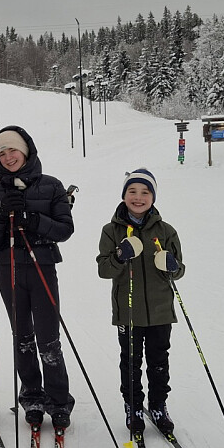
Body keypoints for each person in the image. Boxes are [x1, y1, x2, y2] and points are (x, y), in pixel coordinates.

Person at [0, 126, 75, 429]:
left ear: (26, 150)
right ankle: (32, 397)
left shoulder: (51, 185)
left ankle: (59, 401)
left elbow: (64, 229)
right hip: (8, 268)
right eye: (1, 153)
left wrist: (32, 219)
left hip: (42, 267)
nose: (8, 157)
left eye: (13, 150)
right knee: (22, 338)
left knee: (48, 339)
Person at [95, 168, 184, 434]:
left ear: (153, 197)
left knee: (159, 361)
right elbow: (103, 269)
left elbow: (179, 270)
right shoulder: (111, 231)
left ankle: (158, 405)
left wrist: (172, 265)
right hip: (129, 311)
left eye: (145, 192)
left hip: (160, 311)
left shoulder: (167, 231)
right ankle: (133, 405)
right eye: (132, 191)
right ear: (124, 196)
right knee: (131, 360)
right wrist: (120, 256)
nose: (138, 197)